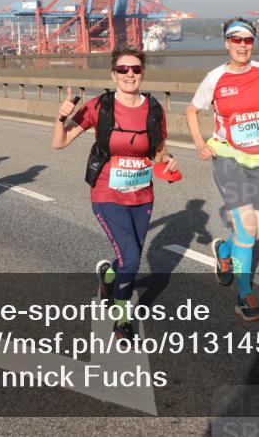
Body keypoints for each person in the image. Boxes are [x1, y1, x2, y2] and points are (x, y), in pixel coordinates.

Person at [52, 46, 177, 340]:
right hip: (107, 192)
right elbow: (60, 143)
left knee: (126, 259)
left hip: (143, 194)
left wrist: (167, 160)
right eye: (123, 70)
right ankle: (123, 319)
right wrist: (61, 118)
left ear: (142, 72)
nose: (129, 74)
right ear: (113, 74)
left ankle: (108, 276)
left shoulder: (155, 109)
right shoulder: (100, 106)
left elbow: (159, 150)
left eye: (135, 69)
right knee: (132, 260)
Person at [186, 18, 259, 323]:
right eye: (236, 40)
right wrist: (199, 144)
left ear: (252, 44)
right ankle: (245, 296)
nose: (242, 45)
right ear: (226, 43)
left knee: (255, 231)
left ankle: (224, 252)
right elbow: (192, 111)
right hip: (228, 156)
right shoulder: (214, 78)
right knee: (246, 230)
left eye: (247, 40)